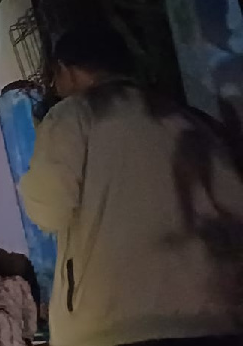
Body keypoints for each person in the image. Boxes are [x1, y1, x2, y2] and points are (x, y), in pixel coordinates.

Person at [21, 26, 243, 346]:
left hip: (114, 324)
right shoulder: (190, 119)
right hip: (213, 318)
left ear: (67, 70)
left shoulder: (72, 116)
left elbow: (48, 210)